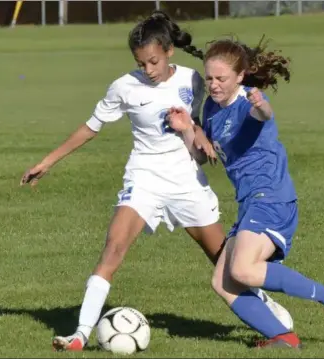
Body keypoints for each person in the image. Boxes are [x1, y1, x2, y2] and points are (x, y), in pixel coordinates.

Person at [20, 12, 287, 352]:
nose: (147, 70)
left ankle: (272, 316)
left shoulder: (194, 80)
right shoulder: (123, 87)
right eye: (141, 63)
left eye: (153, 61)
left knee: (225, 259)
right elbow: (90, 128)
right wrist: (47, 161)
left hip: (186, 181)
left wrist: (200, 134)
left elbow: (207, 117)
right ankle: (80, 334)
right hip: (143, 178)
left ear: (169, 51)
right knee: (113, 247)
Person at [167, 38, 324, 349]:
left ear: (240, 76)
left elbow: (263, 114)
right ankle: (283, 338)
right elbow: (201, 157)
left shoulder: (248, 101)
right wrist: (186, 130)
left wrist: (262, 105)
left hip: (271, 197)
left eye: (221, 79)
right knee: (224, 283)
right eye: (209, 78)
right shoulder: (209, 108)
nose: (214, 85)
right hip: (250, 203)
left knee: (242, 269)